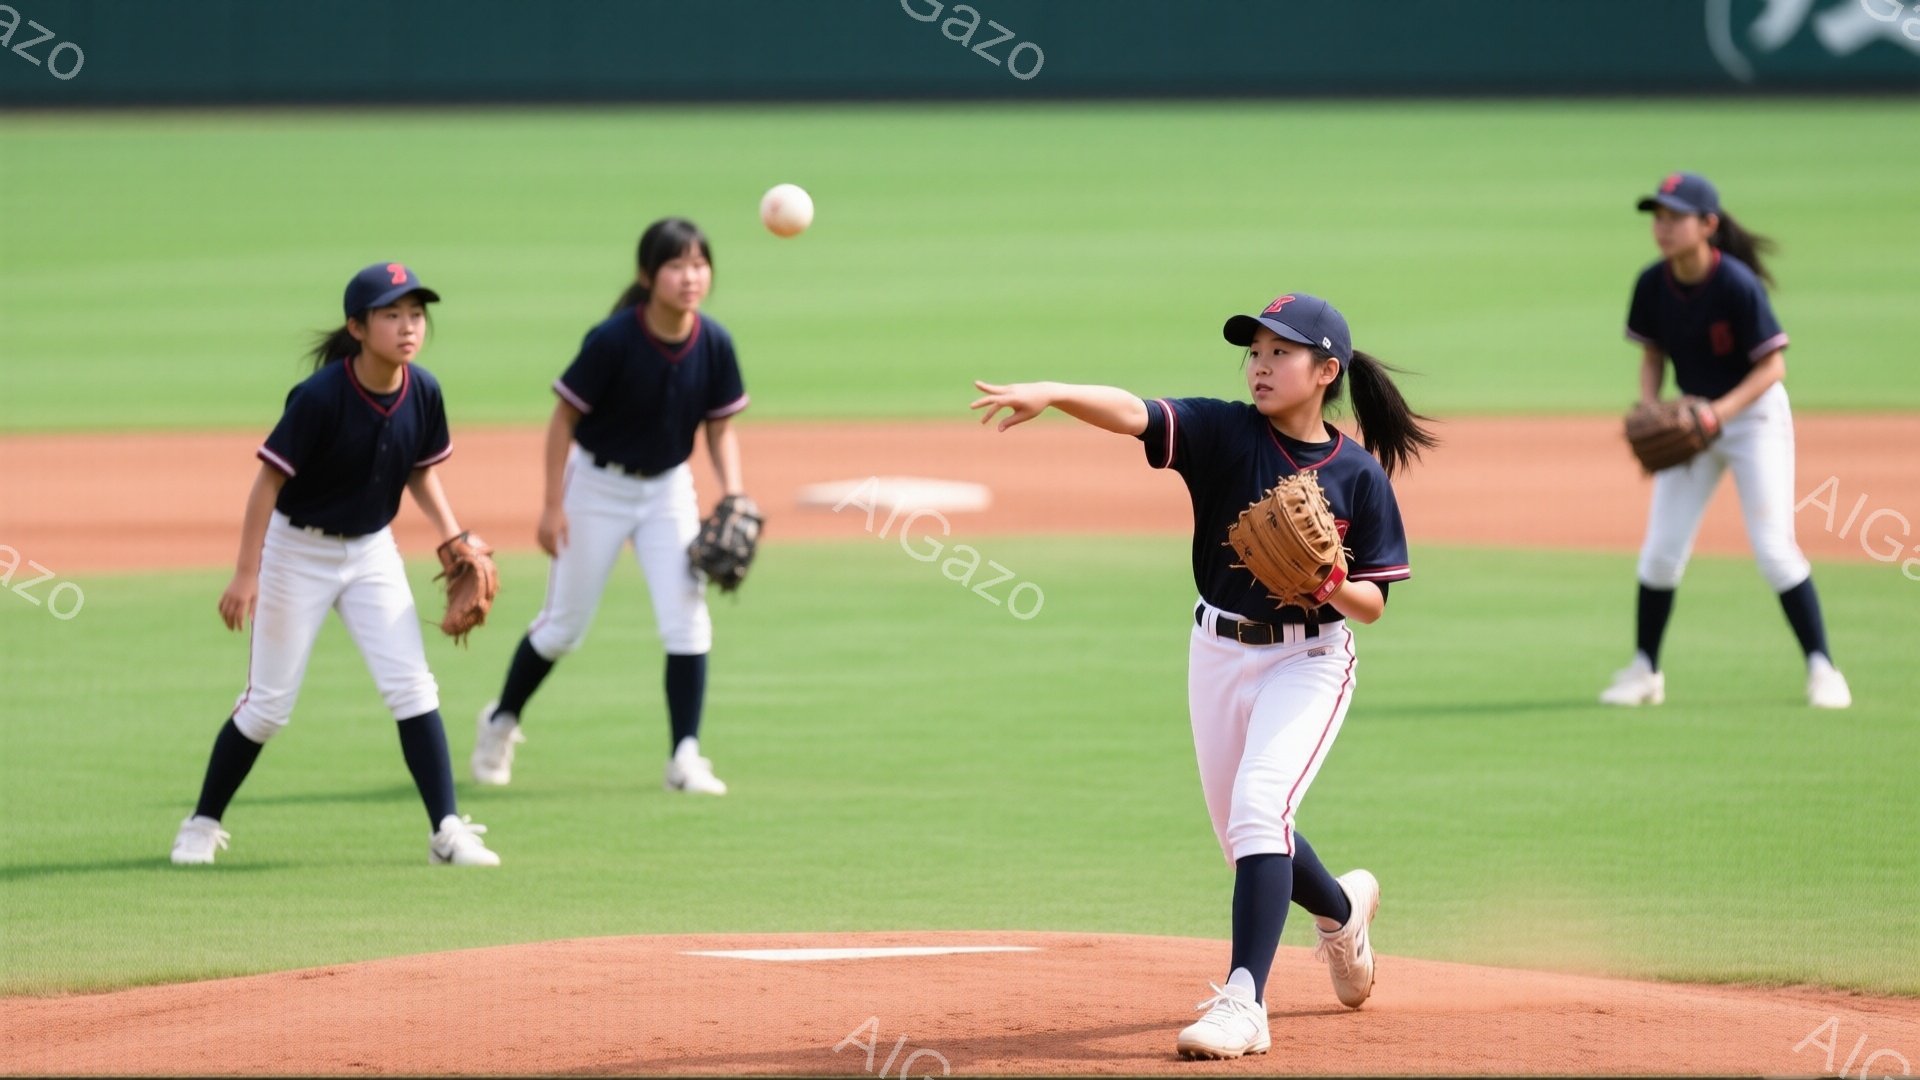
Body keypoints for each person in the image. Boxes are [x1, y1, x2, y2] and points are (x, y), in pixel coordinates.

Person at [970, 292, 1435, 1059]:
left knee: (1259, 809)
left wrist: (1326, 583)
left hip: (1309, 660)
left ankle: (1244, 1004)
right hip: (1217, 653)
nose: (1260, 365)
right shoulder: (1224, 432)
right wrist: (1054, 393)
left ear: (1327, 371)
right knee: (1248, 837)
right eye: (1254, 351)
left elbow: (1373, 604)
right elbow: (1134, 413)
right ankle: (1343, 910)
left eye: (1280, 353)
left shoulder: (1356, 475)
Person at [171, 262, 500, 867]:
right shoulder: (321, 397)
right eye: (392, 314)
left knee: (412, 686)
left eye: (417, 314)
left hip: (373, 551)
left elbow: (421, 470)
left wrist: (452, 536)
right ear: (357, 326)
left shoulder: (422, 390)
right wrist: (247, 573)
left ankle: (447, 831)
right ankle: (201, 823)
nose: (408, 327)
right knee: (268, 706)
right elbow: (267, 483)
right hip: (297, 552)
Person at [473, 218, 750, 793]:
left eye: (699, 265)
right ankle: (501, 722)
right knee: (563, 629)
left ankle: (685, 756)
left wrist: (733, 491)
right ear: (648, 276)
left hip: (669, 490)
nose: (690, 276)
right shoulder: (614, 339)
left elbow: (720, 428)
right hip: (596, 488)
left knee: (688, 622)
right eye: (676, 266)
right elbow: (563, 420)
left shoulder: (715, 342)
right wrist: (553, 506)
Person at [1600, 172, 1851, 709]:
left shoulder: (1736, 283)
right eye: (1658, 217)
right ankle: (1645, 670)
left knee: (1773, 550)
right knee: (1661, 553)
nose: (1663, 228)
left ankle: (1823, 669)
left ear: (1708, 225)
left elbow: (1773, 367)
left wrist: (1720, 414)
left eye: (1675, 217)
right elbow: (1652, 356)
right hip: (1694, 422)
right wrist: (1650, 404)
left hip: (1753, 418)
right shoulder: (1652, 283)